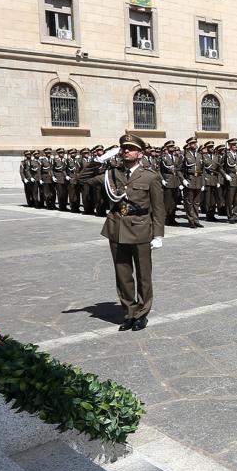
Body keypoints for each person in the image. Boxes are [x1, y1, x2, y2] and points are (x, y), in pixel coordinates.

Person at [73, 132, 166, 331]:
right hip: (116, 229)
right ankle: (129, 313)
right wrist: (98, 160)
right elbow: (81, 179)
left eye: (131, 148)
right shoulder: (112, 173)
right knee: (122, 274)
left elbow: (158, 208)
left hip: (140, 228)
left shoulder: (150, 176)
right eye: (123, 148)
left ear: (140, 154)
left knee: (143, 275)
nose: (125, 151)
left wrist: (158, 235)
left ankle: (142, 313)